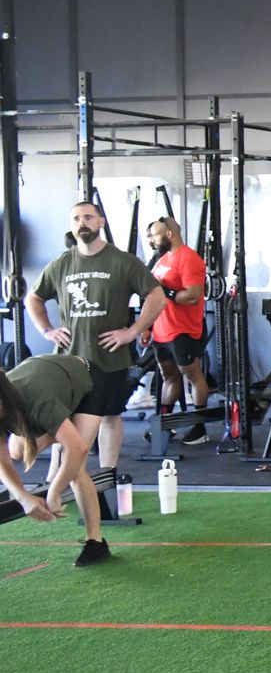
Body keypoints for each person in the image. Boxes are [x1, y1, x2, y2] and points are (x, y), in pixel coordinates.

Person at [27, 200, 166, 486]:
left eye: (88, 217)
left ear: (101, 222)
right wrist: (47, 330)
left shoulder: (123, 261)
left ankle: (107, 475)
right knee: (63, 419)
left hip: (110, 357)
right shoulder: (62, 264)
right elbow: (33, 298)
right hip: (69, 359)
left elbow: (157, 296)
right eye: (76, 218)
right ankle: (55, 479)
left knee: (110, 416)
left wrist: (132, 331)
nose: (82, 223)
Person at [0, 355, 115, 566]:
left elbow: (78, 448)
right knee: (17, 452)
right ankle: (61, 430)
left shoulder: (36, 400)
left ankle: (96, 542)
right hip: (48, 381)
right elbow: (2, 460)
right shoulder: (15, 404)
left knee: (74, 464)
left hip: (89, 379)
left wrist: (55, 491)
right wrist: (23, 498)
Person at [142, 215, 212, 445]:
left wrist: (167, 292)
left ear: (169, 234)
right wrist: (147, 326)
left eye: (155, 235)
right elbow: (154, 295)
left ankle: (199, 428)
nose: (152, 240)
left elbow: (193, 296)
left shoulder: (189, 259)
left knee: (192, 375)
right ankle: (165, 426)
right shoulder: (162, 260)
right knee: (168, 377)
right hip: (161, 330)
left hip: (183, 330)